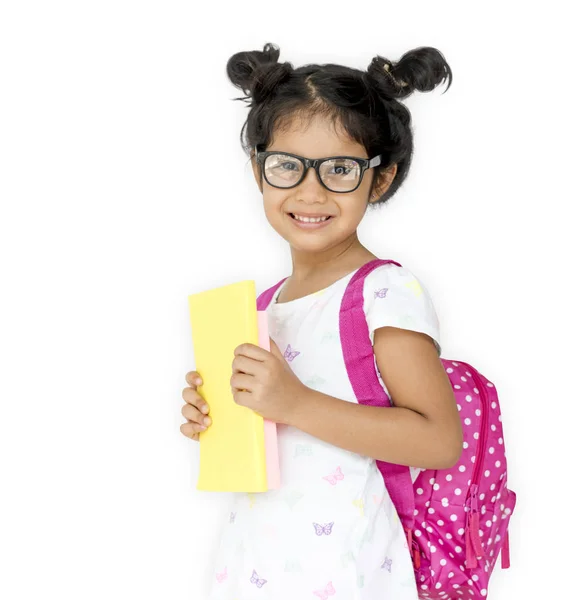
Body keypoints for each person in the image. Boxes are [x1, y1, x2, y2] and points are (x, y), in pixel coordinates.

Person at [181, 42, 463, 600]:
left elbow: (438, 441)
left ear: (380, 179)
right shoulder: (259, 309)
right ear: (259, 170)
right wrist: (212, 415)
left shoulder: (384, 292)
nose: (310, 192)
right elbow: (271, 438)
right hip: (256, 564)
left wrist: (294, 403)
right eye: (287, 165)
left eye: (339, 169)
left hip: (350, 573)